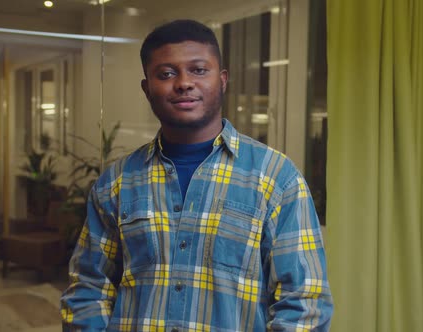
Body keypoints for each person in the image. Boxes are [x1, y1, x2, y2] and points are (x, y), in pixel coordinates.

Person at [61, 19, 333, 331]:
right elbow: (88, 287)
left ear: (223, 79)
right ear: (147, 87)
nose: (184, 83)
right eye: (166, 73)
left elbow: (305, 302)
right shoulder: (117, 183)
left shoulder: (275, 177)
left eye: (199, 70)